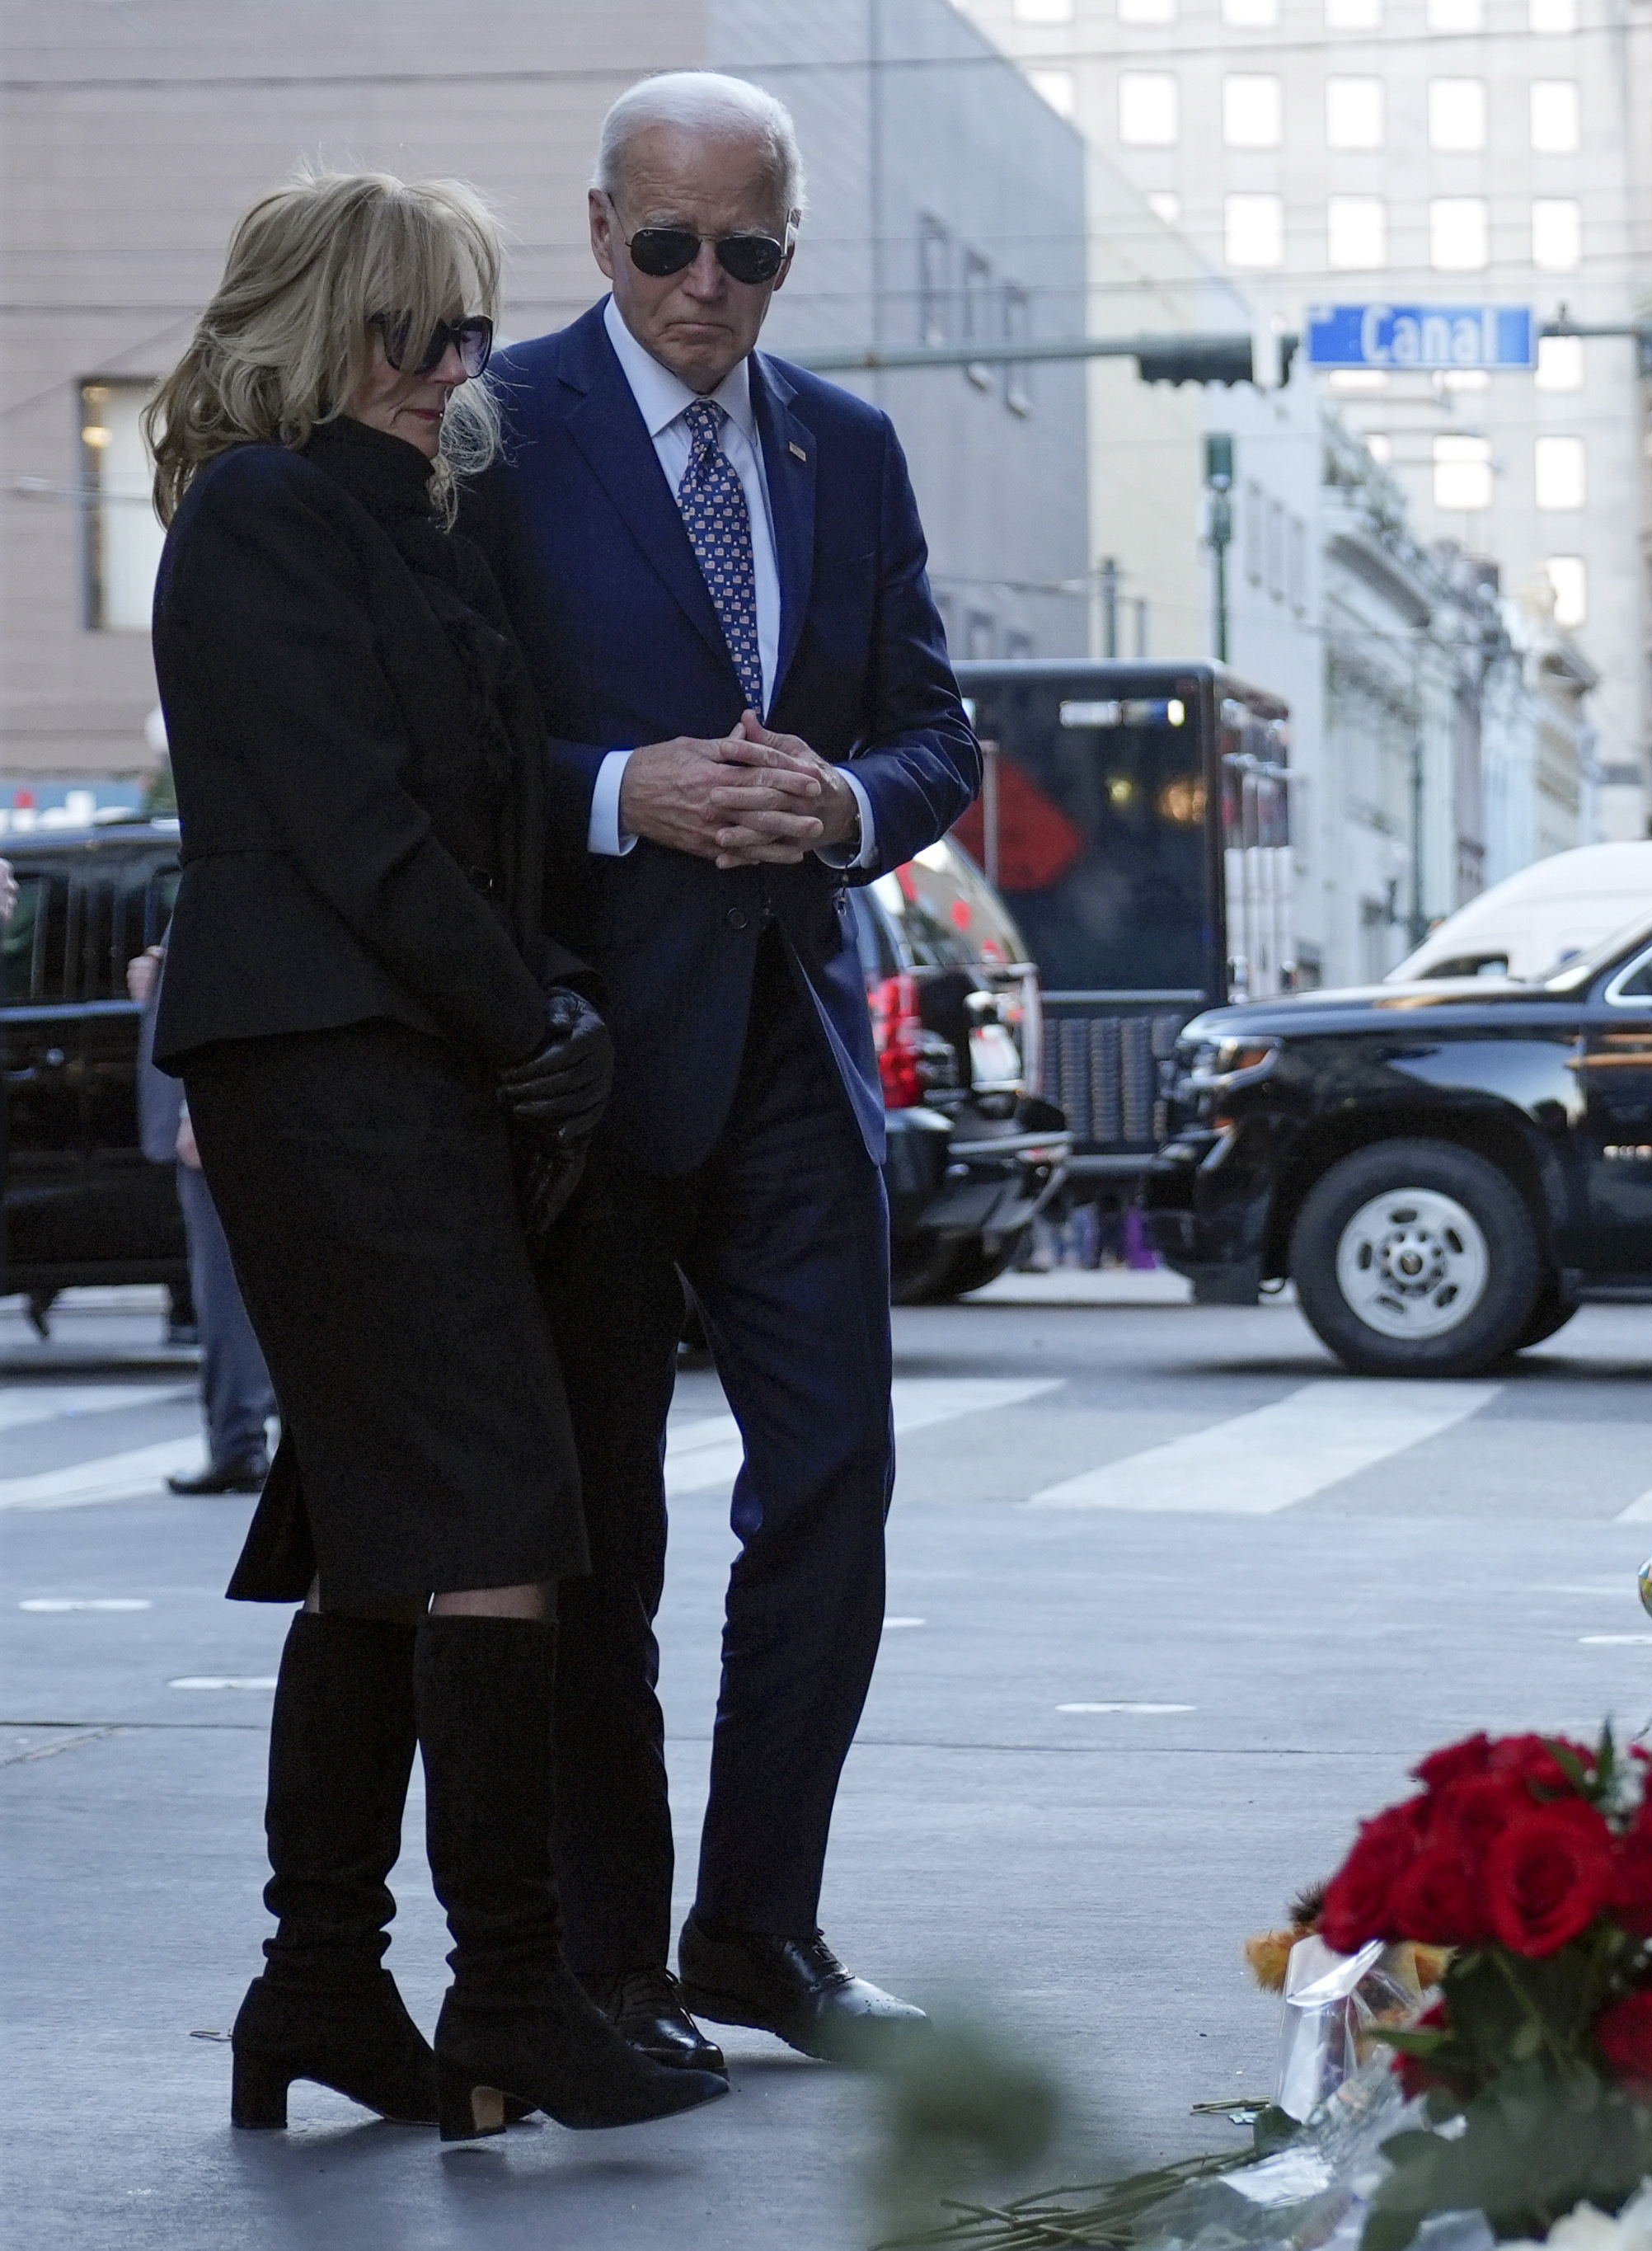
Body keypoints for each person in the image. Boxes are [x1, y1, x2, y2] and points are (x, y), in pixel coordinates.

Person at [144, 170, 728, 2140]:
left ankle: (317, 1987)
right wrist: (534, 1021)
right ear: (317, 323)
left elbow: (490, 821)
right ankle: (502, 1992)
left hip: (429, 1070)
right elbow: (354, 831)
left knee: (388, 1546)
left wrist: (545, 998)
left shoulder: (421, 521)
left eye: (472, 333)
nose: (450, 371)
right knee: (486, 1525)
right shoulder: (259, 515)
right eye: (413, 333)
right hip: (325, 1065)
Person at [481, 73, 977, 2068]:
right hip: (589, 1061)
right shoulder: (499, 434)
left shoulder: (845, 451)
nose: (706, 284)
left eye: (748, 249)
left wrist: (844, 805)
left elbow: (942, 732)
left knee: (835, 1490)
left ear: (789, 246)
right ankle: (608, 1958)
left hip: (791, 1041)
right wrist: (623, 791)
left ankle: (757, 1929)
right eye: (668, 244)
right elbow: (434, 745)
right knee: (604, 1526)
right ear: (600, 233)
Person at [128, 941, 278, 1492]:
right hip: (234, 1104)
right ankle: (241, 1440)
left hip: (220, 1105)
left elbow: (226, 973)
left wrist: (198, 1105)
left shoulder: (221, 859)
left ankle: (238, 1441)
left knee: (225, 1289)